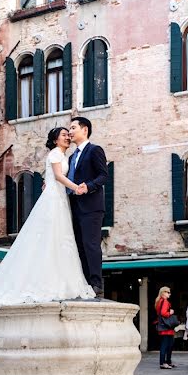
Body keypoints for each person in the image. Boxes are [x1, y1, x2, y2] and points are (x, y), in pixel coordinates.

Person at [0, 127, 95, 343]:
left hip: (57, 198)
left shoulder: (63, 154)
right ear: (55, 139)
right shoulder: (56, 154)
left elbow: (52, 177)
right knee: (52, 237)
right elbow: (58, 176)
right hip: (54, 199)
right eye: (64, 134)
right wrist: (77, 188)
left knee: (60, 240)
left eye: (70, 133)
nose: (68, 136)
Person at [67, 116, 110, 297]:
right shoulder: (71, 157)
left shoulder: (94, 150)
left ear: (85, 130)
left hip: (91, 207)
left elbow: (104, 175)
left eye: (73, 127)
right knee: (79, 246)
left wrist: (89, 186)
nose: (70, 131)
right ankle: (84, 282)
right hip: (74, 207)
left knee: (91, 244)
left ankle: (96, 284)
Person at [154, 286, 176, 369]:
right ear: (163, 292)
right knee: (166, 345)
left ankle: (167, 362)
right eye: (168, 292)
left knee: (166, 344)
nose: (169, 294)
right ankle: (163, 362)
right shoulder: (165, 301)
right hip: (167, 327)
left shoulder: (158, 301)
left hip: (162, 326)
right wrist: (170, 312)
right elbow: (163, 313)